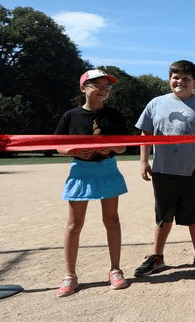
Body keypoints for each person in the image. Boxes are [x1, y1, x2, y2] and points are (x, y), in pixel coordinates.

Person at [133, 60, 195, 280]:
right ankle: (157, 257)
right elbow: (146, 134)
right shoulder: (156, 103)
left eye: (186, 79)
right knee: (163, 216)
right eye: (175, 77)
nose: (180, 82)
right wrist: (144, 161)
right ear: (170, 79)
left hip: (193, 171)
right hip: (163, 170)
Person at [54, 69, 130, 297]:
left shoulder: (114, 115)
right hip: (80, 171)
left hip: (107, 169)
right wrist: (74, 150)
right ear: (83, 88)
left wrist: (110, 147)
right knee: (74, 224)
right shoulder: (70, 116)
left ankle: (115, 269)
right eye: (98, 85)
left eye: (108, 86)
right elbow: (58, 145)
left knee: (112, 220)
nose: (104, 89)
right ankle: (70, 275)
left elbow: (124, 146)